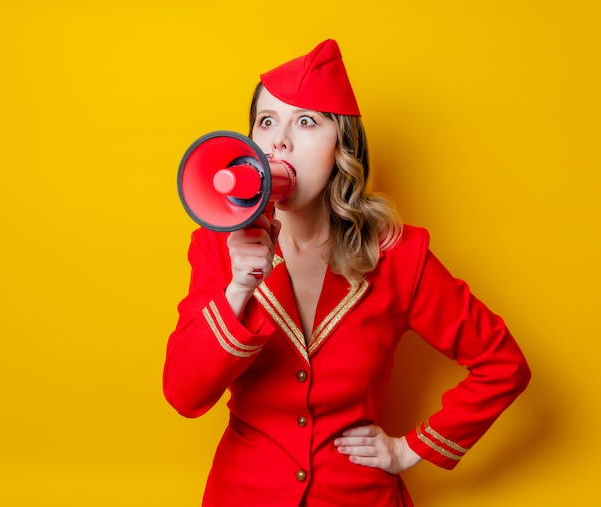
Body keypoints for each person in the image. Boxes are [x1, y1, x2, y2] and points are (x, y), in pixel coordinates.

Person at [163, 39, 531, 507]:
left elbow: (503, 365)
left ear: (343, 147)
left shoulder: (398, 255)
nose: (280, 140)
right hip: (244, 493)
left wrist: (409, 449)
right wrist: (239, 288)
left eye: (307, 121)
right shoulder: (217, 246)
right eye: (267, 121)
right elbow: (183, 394)